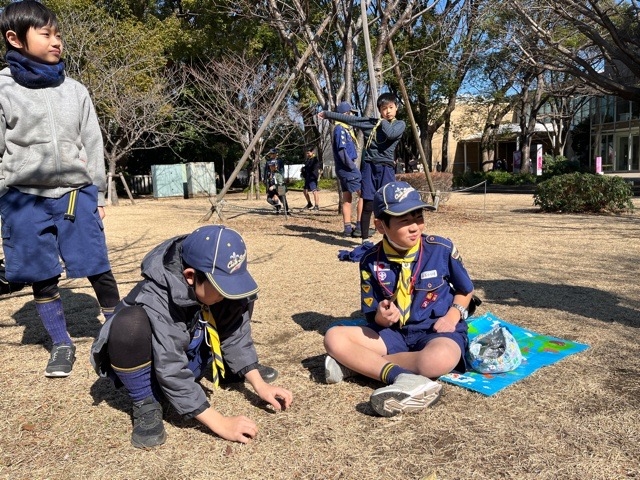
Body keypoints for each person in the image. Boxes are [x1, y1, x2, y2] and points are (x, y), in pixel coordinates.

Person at [90, 225, 293, 448]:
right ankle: (146, 400)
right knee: (129, 323)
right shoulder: (157, 295)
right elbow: (170, 366)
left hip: (191, 347)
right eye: (219, 287)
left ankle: (230, 367)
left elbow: (236, 333)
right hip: (153, 365)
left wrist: (259, 383)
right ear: (190, 276)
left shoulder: (211, 288)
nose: (225, 294)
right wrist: (220, 423)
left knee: (241, 297)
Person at [0, 1, 120, 378]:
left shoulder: (75, 90)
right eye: (46, 34)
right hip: (23, 197)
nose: (57, 42)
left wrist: (97, 193)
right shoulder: (2, 89)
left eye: (58, 34)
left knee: (96, 263)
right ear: (15, 39)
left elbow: (92, 142)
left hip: (74, 191)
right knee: (42, 274)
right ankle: (61, 343)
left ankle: (119, 332)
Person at [323, 181, 475, 417]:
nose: (415, 227)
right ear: (381, 225)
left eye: (418, 217)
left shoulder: (441, 249)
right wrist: (382, 317)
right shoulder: (370, 260)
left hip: (436, 331)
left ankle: (361, 364)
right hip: (394, 334)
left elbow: (466, 291)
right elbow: (372, 312)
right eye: (404, 221)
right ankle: (400, 377)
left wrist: (452, 315)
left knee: (437, 360)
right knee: (334, 337)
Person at [319, 93, 405, 241]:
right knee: (368, 203)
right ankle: (364, 240)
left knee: (387, 203)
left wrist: (380, 121)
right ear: (379, 110)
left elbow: (390, 134)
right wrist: (327, 114)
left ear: (396, 108)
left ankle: (390, 240)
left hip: (386, 168)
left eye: (391, 107)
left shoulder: (399, 124)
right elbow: (350, 119)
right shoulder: (371, 124)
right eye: (384, 109)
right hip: (370, 167)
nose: (388, 111)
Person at [330, 102, 361, 236]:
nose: (352, 117)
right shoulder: (340, 129)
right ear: (345, 115)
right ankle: (360, 226)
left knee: (347, 197)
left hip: (344, 168)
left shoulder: (344, 129)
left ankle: (348, 228)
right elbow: (342, 151)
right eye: (350, 114)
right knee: (364, 194)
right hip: (347, 168)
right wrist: (351, 166)